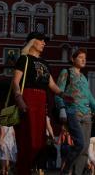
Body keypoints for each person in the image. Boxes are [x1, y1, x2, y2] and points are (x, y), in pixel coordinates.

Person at [13, 32, 63, 175]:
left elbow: (52, 85)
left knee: (39, 139)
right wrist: (19, 99)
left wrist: (64, 94)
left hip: (41, 100)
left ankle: (32, 167)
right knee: (27, 136)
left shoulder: (45, 63)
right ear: (32, 42)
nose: (44, 43)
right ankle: (23, 170)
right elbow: (15, 82)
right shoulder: (24, 59)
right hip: (28, 97)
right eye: (41, 40)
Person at [55, 48, 95, 175]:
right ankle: (66, 169)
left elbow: (89, 96)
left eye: (85, 58)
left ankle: (78, 173)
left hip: (87, 114)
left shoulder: (84, 78)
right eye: (80, 57)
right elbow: (58, 92)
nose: (83, 60)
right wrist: (62, 108)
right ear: (72, 59)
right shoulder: (66, 72)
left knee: (85, 148)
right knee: (80, 144)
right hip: (73, 112)